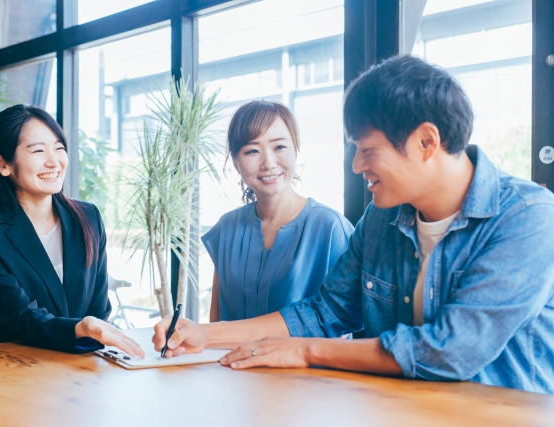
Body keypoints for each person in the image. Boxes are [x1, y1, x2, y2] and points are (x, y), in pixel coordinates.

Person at [152, 56, 554, 394]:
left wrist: (307, 351)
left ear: (426, 143)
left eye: (367, 150)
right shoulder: (382, 217)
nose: (357, 165)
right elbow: (325, 311)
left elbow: (451, 349)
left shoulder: (528, 217)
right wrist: (206, 335)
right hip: (398, 411)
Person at [0, 105, 144, 357]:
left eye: (59, 148)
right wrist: (80, 328)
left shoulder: (88, 218)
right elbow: (20, 318)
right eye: (38, 150)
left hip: (81, 365)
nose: (54, 161)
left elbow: (99, 308)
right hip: (12, 369)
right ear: (2, 164)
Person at [204, 100, 353, 322]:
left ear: (296, 150)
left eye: (279, 147)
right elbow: (216, 319)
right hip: (228, 357)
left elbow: (341, 322)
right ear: (235, 162)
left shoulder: (330, 228)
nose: (268, 163)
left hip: (310, 358)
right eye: (252, 150)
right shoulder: (226, 228)